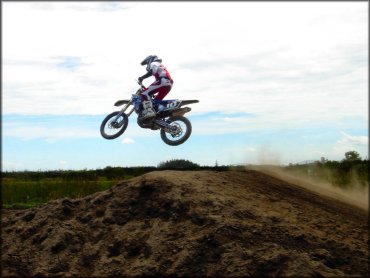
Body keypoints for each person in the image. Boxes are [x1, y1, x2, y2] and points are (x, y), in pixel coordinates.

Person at [138, 55, 174, 120]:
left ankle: (149, 112)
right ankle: (158, 117)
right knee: (156, 103)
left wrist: (142, 77)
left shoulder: (154, 63)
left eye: (147, 63)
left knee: (144, 94)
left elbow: (152, 71)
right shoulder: (160, 65)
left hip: (162, 81)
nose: (147, 65)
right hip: (168, 84)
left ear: (149, 60)